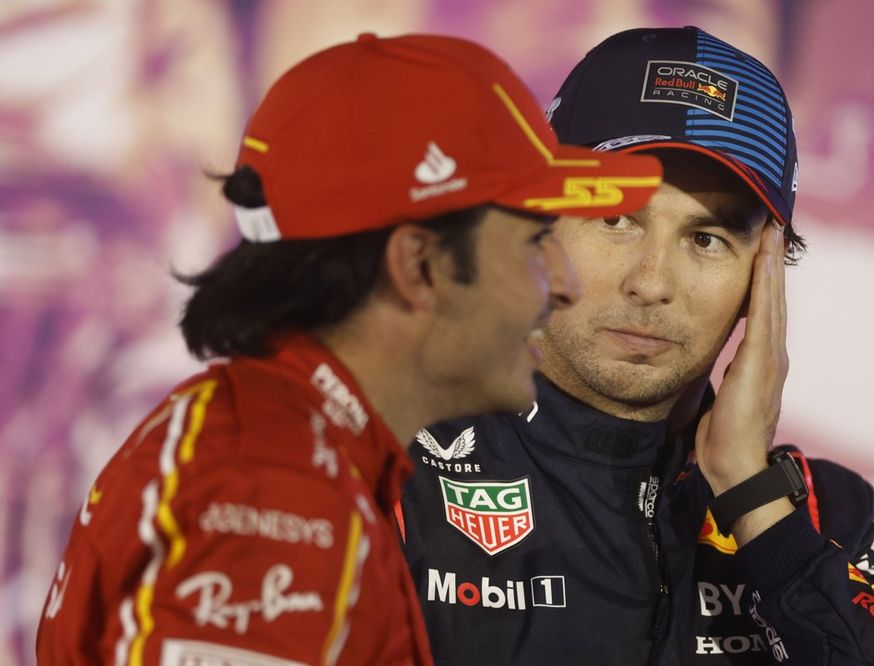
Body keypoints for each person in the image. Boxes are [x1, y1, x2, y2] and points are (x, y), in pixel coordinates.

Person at [35, 33, 664, 665]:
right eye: (532, 242)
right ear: (419, 267)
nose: (563, 283)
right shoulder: (275, 494)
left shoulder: (290, 448)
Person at [398, 27, 874, 665]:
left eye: (707, 238)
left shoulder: (829, 519)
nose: (651, 283)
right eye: (615, 218)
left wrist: (752, 497)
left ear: (765, 275)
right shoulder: (388, 475)